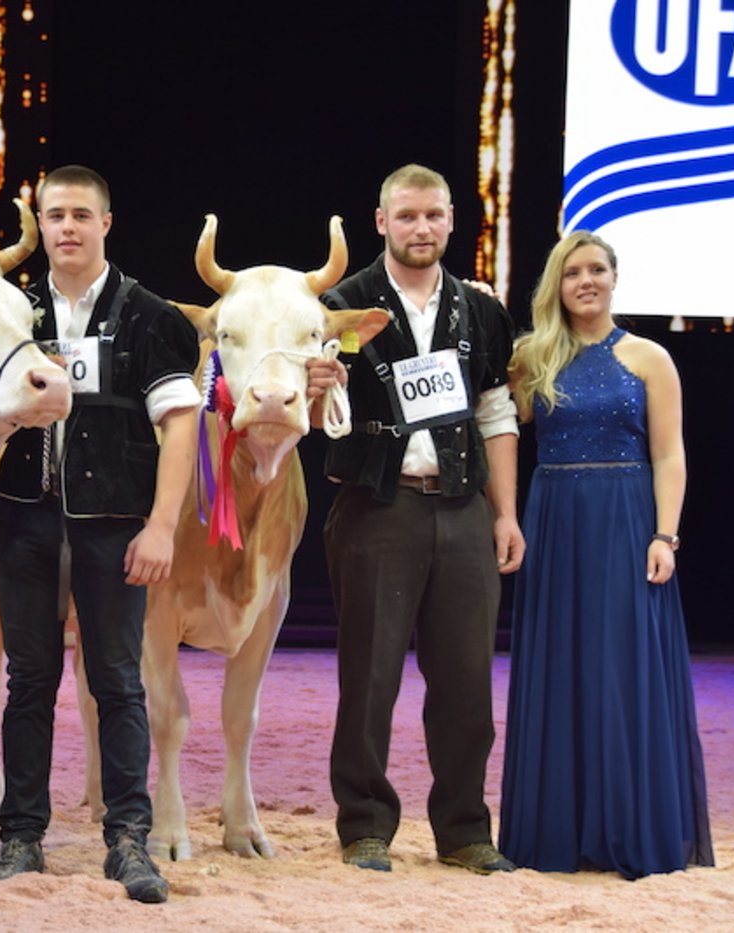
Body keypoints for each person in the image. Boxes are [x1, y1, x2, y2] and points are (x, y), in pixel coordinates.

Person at [0, 165, 200, 903]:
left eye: (81, 214)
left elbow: (180, 425)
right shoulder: (11, 313)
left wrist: (162, 526)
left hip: (115, 526)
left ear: (107, 223)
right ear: (40, 225)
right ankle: (21, 836)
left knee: (117, 681)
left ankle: (128, 839)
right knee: (29, 681)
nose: (68, 227)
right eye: (55, 215)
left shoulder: (149, 315)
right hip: (24, 518)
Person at [320, 164, 523, 874]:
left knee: (468, 681)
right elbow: (314, 415)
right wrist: (317, 385)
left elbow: (496, 414)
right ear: (381, 222)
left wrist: (506, 513)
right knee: (369, 677)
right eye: (406, 215)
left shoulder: (480, 309)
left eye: (433, 215)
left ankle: (465, 830)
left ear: (452, 219)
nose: (421, 228)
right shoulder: (341, 305)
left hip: (464, 507)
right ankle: (365, 825)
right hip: (378, 507)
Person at [497, 231, 713, 879]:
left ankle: (629, 827)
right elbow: (496, 423)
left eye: (596, 269)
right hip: (555, 520)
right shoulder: (531, 357)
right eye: (572, 273)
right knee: (560, 664)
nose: (585, 281)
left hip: (625, 521)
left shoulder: (649, 357)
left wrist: (665, 535)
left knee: (623, 669)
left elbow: (669, 454)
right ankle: (559, 830)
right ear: (556, 286)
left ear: (614, 278)